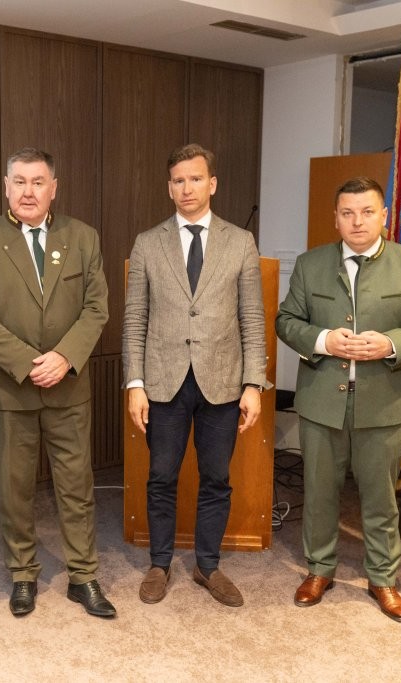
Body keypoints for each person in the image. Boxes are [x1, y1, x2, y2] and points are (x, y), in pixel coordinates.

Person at [275, 176, 401, 623]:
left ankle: (383, 577)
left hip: (382, 405)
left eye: (367, 212)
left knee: (380, 497)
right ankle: (319, 569)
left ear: (384, 215)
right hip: (321, 404)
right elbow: (286, 321)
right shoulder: (311, 264)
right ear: (336, 218)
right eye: (347, 213)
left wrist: (390, 344)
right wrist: (324, 340)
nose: (357, 221)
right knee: (319, 493)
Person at [0, 147, 114, 619]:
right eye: (20, 181)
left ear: (54, 188)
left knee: (76, 486)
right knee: (14, 489)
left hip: (69, 387)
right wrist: (30, 364)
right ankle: (22, 573)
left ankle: (83, 576)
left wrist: (65, 357)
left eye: (38, 181)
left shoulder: (82, 237)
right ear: (6, 186)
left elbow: (96, 308)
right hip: (11, 391)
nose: (28, 191)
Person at [122, 143, 266, 607]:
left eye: (196, 179)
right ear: (169, 188)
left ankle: (208, 564)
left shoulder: (240, 242)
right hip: (162, 382)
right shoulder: (148, 243)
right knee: (161, 476)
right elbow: (135, 318)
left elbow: (252, 317)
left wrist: (253, 384)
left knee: (216, 478)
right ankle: (159, 563)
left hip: (222, 382)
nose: (187, 188)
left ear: (212, 184)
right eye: (179, 180)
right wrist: (135, 383)